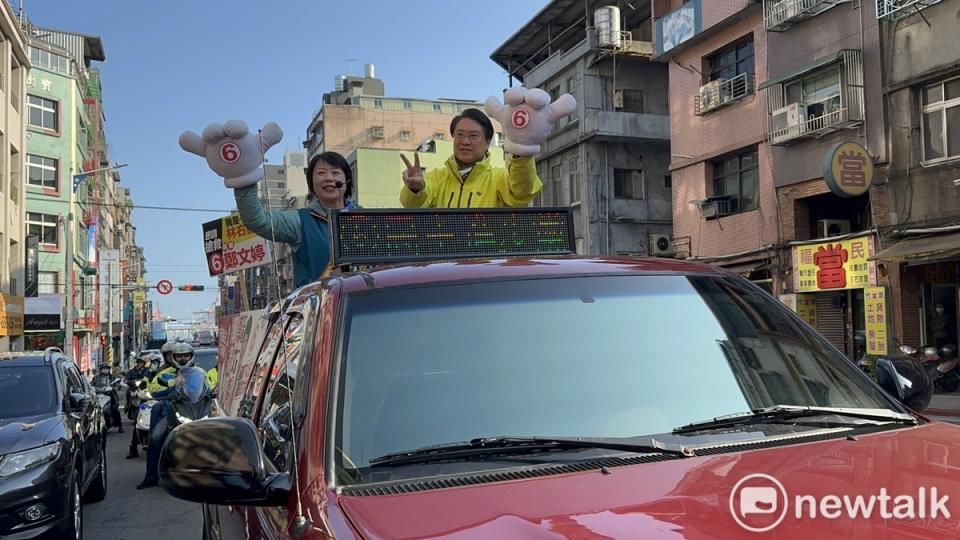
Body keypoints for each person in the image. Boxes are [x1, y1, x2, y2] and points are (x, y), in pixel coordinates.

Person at [236, 151, 357, 286]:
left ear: (347, 180)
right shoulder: (300, 221)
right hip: (316, 304)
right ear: (311, 183)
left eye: (335, 173)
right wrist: (243, 175)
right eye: (321, 173)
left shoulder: (367, 217)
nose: (329, 178)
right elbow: (257, 220)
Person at [399, 108, 542, 209]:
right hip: (446, 251)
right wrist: (414, 189)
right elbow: (412, 205)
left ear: (487, 142)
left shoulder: (499, 179)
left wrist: (520, 153)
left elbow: (522, 192)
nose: (465, 141)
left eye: (473, 136)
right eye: (460, 135)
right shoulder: (436, 178)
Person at [137, 342, 215, 489]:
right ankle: (151, 476)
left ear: (191, 356)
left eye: (186, 355)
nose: (183, 358)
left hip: (196, 409)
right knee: (155, 438)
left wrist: (211, 391)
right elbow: (153, 388)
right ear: (173, 357)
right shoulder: (165, 373)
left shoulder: (200, 372)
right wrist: (172, 385)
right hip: (171, 411)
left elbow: (208, 386)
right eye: (179, 356)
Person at [93, 363, 124, 433]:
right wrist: (93, 389)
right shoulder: (96, 377)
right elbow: (91, 385)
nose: (105, 370)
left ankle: (120, 426)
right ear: (100, 370)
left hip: (111, 396)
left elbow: (118, 385)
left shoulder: (112, 377)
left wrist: (116, 387)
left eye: (107, 369)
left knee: (115, 410)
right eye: (104, 369)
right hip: (99, 396)